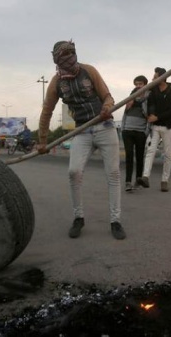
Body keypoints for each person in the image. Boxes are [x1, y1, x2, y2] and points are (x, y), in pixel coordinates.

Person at [37, 40, 125, 240]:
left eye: (72, 56)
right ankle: (79, 218)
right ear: (58, 61)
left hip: (105, 127)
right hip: (81, 131)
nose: (70, 62)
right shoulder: (56, 83)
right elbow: (46, 112)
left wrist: (107, 107)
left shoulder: (89, 71)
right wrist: (42, 141)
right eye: (65, 59)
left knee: (113, 174)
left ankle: (115, 221)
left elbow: (108, 97)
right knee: (73, 172)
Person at [140, 67, 171, 192]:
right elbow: (150, 104)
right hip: (156, 126)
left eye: (155, 77)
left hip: (169, 127)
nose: (152, 79)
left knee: (167, 155)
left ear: (162, 78)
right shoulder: (153, 89)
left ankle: (164, 180)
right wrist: (151, 115)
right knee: (151, 151)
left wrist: (157, 117)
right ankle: (145, 177)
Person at [121, 75, 149, 191]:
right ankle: (128, 182)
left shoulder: (148, 97)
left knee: (139, 156)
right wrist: (123, 128)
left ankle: (138, 180)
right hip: (127, 130)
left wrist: (146, 132)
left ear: (145, 85)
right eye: (136, 84)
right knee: (129, 156)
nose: (138, 86)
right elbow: (125, 113)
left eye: (140, 84)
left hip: (140, 131)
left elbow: (148, 114)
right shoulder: (131, 96)